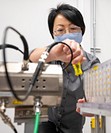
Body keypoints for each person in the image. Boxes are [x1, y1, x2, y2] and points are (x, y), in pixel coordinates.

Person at [29, 4, 100, 133]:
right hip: (44, 124)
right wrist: (54, 54)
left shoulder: (91, 63)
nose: (67, 34)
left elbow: (98, 99)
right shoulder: (49, 54)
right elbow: (30, 57)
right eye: (60, 30)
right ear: (53, 33)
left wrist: (92, 108)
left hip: (73, 128)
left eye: (73, 28)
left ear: (82, 31)